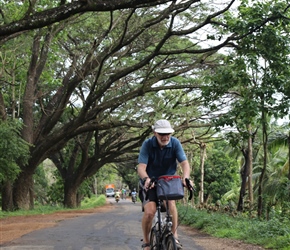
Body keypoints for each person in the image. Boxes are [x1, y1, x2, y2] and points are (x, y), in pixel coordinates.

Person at [137, 119, 193, 250]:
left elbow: (184, 163)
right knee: (150, 212)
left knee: (171, 204)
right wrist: (146, 179)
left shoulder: (175, 143)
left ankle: (175, 235)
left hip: (168, 182)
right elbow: (141, 167)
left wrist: (186, 178)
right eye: (162, 134)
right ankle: (146, 242)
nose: (165, 137)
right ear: (155, 133)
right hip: (150, 182)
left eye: (168, 133)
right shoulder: (147, 145)